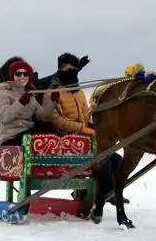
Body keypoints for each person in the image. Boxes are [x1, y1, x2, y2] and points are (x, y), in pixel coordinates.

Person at [47, 52, 129, 206]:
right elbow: (57, 120)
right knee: (102, 158)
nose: (73, 73)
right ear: (60, 70)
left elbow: (86, 116)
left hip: (83, 141)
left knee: (117, 160)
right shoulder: (53, 93)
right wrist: (82, 129)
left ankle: (105, 191)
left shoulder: (79, 93)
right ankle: (109, 192)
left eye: (75, 70)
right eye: (69, 70)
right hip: (64, 141)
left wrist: (95, 125)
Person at [0, 58, 61, 145]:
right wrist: (21, 102)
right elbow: (5, 117)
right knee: (37, 136)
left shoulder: (30, 95)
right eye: (18, 74)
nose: (22, 77)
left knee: (48, 126)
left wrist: (52, 102)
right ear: (12, 76)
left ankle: (62, 147)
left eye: (25, 74)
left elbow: (42, 117)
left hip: (27, 131)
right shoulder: (3, 93)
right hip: (11, 136)